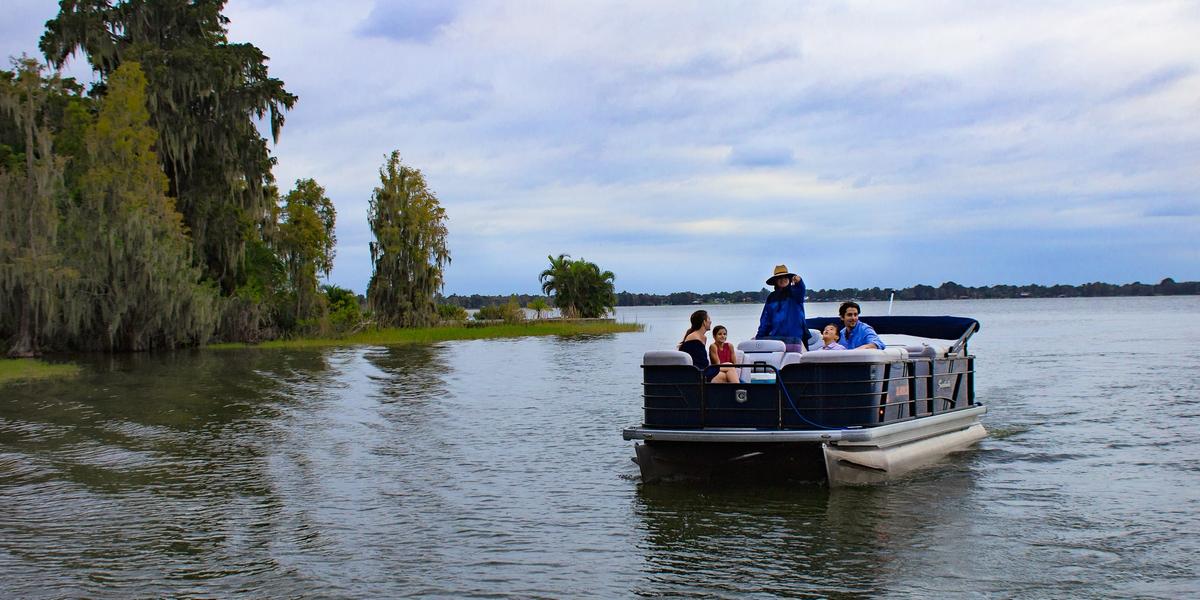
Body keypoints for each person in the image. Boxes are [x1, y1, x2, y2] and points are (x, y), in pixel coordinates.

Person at [756, 264, 808, 352]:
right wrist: (759, 336)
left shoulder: (795, 293)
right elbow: (765, 319)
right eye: (779, 278)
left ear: (789, 279)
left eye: (785, 277)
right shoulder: (771, 297)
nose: (782, 280)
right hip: (776, 338)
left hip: (795, 337)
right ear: (775, 281)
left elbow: (801, 289)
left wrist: (799, 281)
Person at [678, 310, 739, 383]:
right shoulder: (694, 337)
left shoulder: (702, 337)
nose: (710, 321)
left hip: (703, 370)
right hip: (699, 373)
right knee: (729, 370)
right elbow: (699, 363)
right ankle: (740, 391)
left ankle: (739, 390)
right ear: (704, 322)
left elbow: (701, 361)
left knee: (729, 366)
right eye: (709, 319)